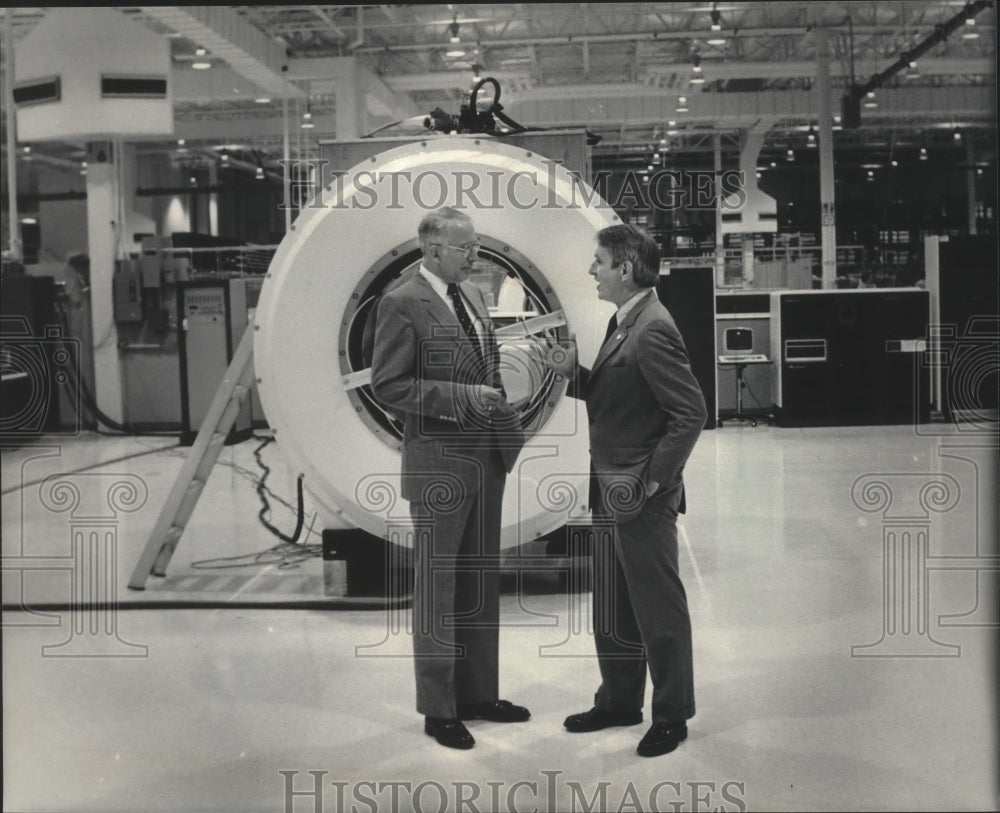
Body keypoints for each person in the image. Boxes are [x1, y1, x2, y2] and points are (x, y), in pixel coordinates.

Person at [369, 207, 530, 750]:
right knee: (438, 588)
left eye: (476, 244)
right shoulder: (400, 303)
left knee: (480, 582)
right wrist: (462, 398)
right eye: (466, 248)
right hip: (439, 464)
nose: (476, 255)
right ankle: (439, 708)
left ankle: (479, 694)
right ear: (433, 250)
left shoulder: (477, 297)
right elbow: (389, 386)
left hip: (486, 457)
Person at [547, 223, 707, 757]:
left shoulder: (653, 326)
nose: (591, 270)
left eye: (598, 262)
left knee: (657, 607)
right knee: (613, 603)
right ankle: (618, 701)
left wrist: (656, 481)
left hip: (638, 492)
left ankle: (671, 716)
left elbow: (690, 413)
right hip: (611, 486)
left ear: (625, 268)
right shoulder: (626, 321)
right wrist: (575, 375)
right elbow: (622, 393)